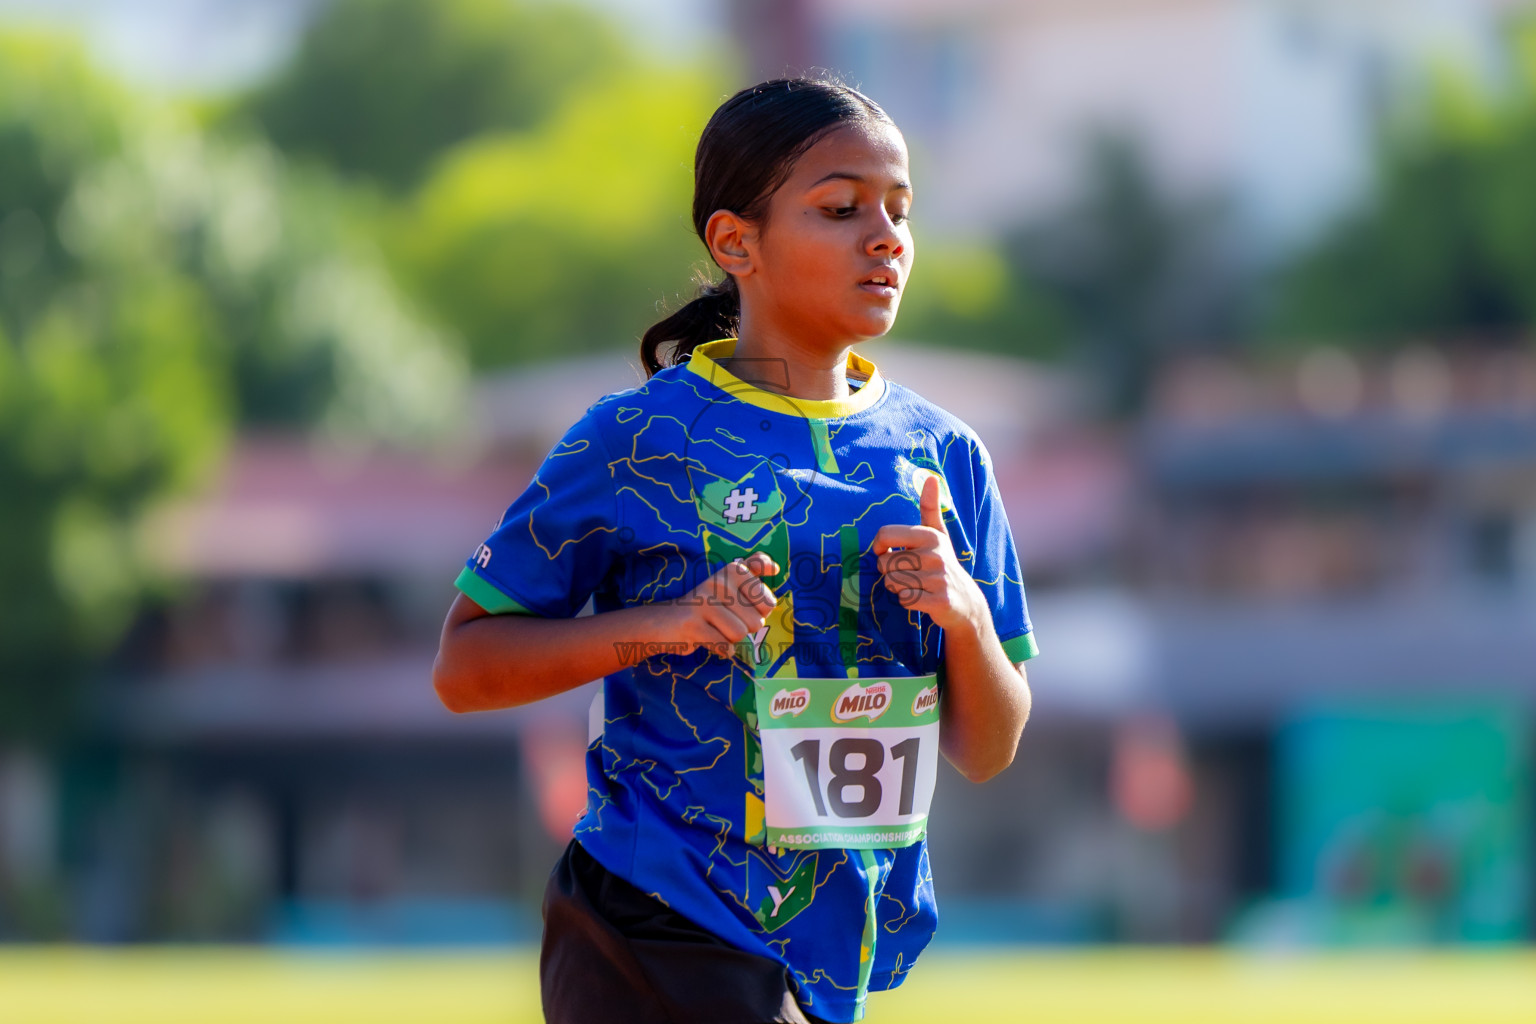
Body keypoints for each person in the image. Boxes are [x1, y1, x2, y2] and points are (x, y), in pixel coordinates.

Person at [432, 76, 1038, 1024]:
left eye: (899, 209)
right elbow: (466, 668)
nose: (885, 236)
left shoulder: (946, 455)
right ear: (734, 243)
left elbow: (989, 746)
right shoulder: (636, 438)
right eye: (840, 208)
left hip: (832, 946)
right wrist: (666, 626)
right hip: (655, 916)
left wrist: (962, 612)